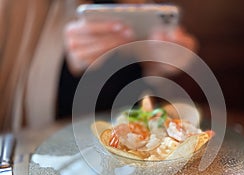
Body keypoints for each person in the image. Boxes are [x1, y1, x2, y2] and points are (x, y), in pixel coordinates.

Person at [0, 0, 198, 131]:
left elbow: (155, 98)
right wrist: (67, 62)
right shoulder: (17, 9)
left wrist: (166, 64)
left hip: (134, 154)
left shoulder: (144, 7)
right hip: (55, 154)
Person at [58, 0, 198, 118]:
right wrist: (69, 61)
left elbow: (155, 73)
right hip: (71, 119)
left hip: (137, 117)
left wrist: (164, 62)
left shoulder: (147, 10)